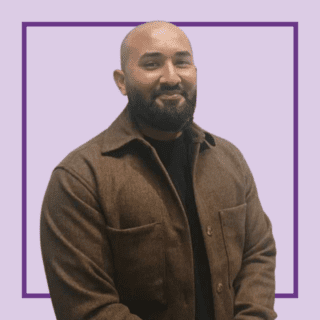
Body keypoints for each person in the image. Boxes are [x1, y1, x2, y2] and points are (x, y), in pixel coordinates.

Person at [40, 21, 277, 320]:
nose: (171, 77)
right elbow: (89, 308)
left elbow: (258, 254)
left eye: (182, 62)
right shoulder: (79, 179)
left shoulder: (229, 160)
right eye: (152, 64)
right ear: (122, 81)